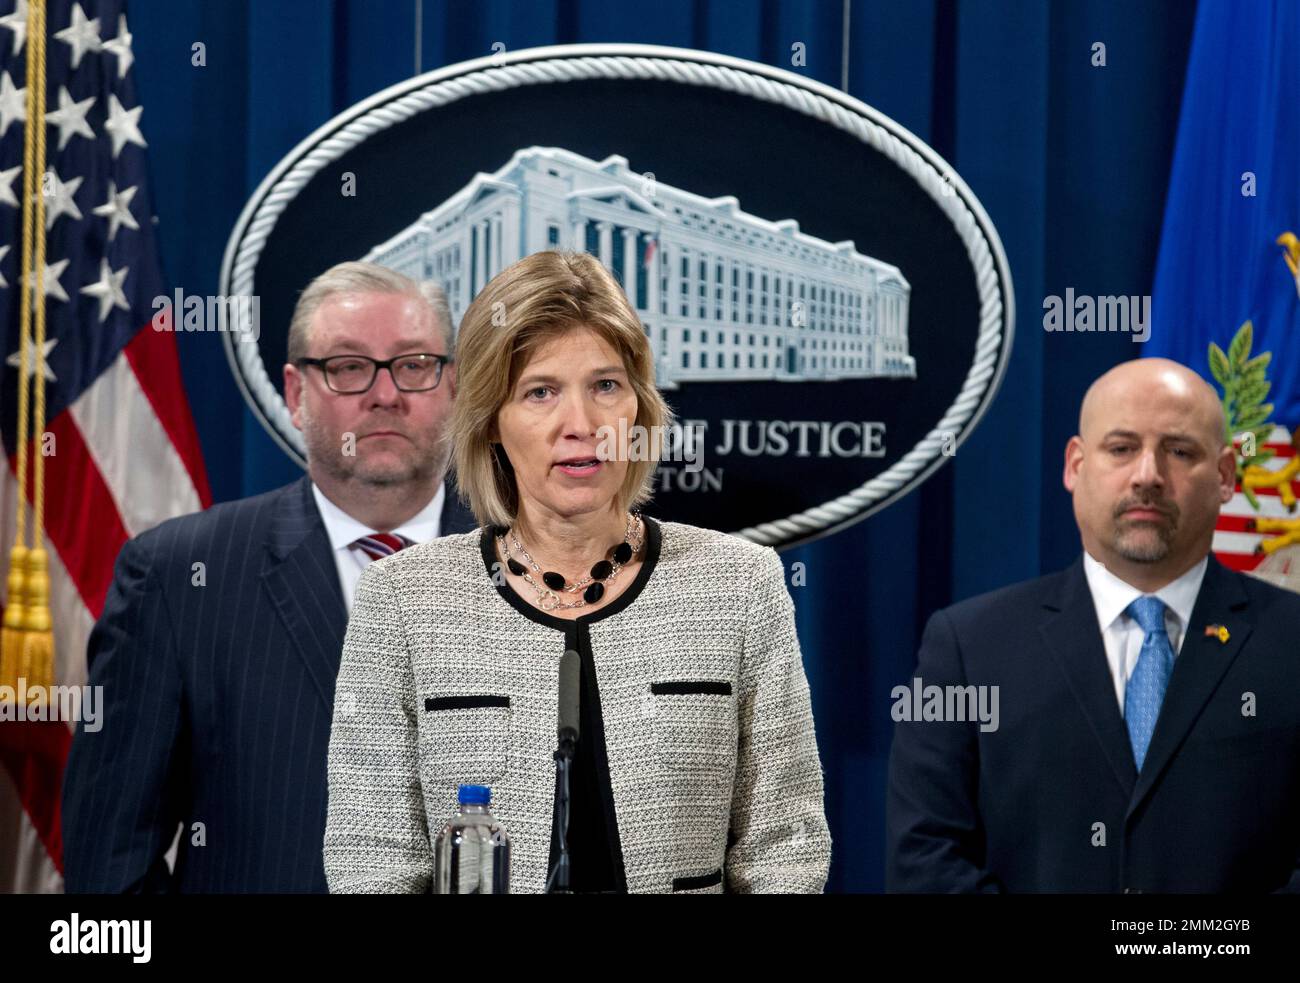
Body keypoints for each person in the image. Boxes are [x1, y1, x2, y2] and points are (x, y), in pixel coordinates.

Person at [324, 251, 830, 893]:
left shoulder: (739, 584)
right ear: (493, 424)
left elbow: (785, 849)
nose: (582, 426)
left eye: (606, 386)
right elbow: (371, 862)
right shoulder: (404, 597)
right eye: (540, 392)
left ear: (639, 412)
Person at [61, 262, 476, 892]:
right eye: (347, 366)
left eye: (415, 364)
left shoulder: (532, 563)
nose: (386, 394)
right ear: (295, 392)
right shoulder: (177, 579)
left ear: (454, 386)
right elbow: (108, 868)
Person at [886, 357, 1300, 893]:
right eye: (1122, 448)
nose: (1148, 475)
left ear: (1225, 476)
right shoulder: (968, 649)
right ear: (1075, 465)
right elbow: (924, 861)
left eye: (1178, 450)